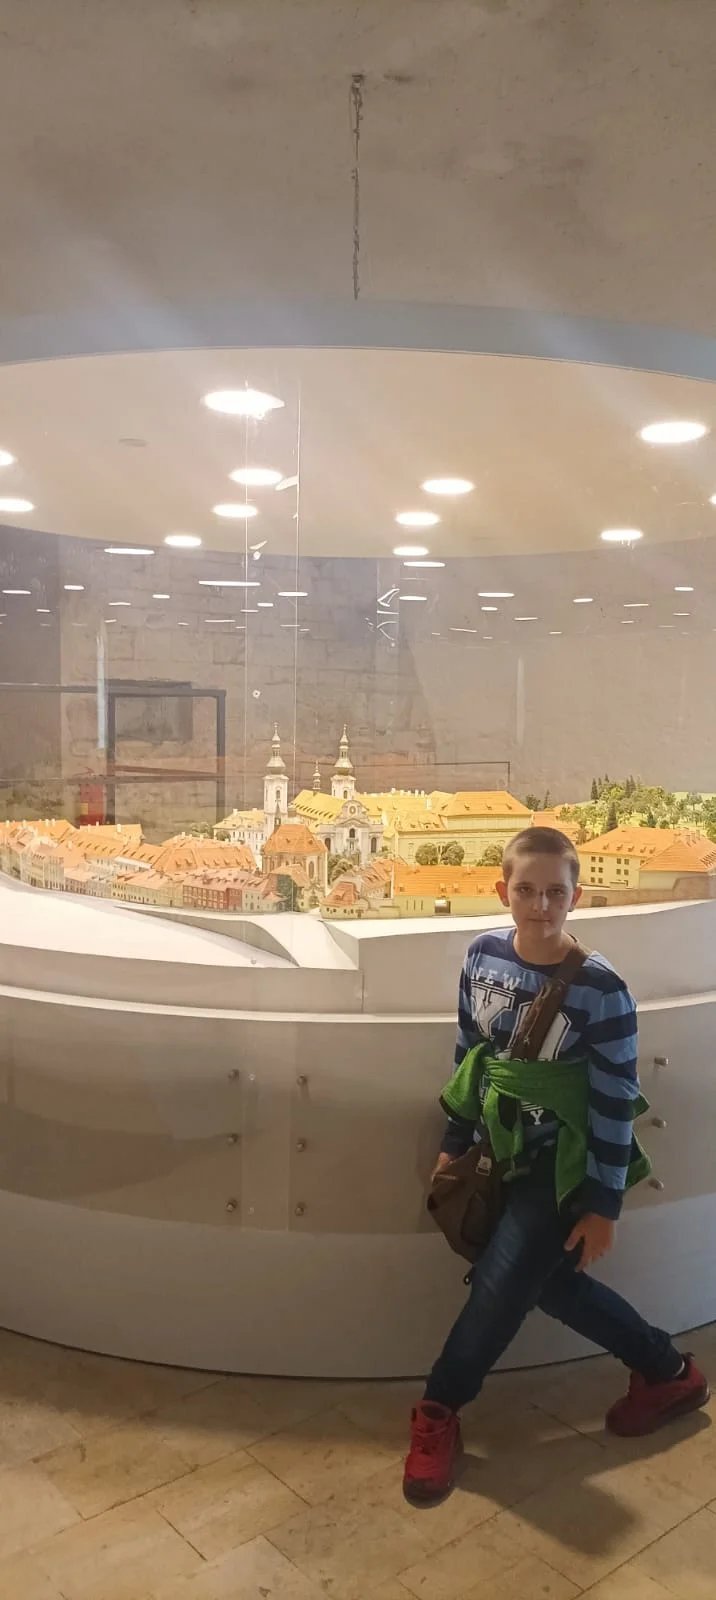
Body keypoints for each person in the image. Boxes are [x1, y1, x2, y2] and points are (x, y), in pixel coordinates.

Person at [403, 826, 709, 1506]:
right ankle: (667, 1372)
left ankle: (438, 1409)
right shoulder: (481, 956)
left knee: (497, 1288)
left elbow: (614, 1101)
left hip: (561, 1166)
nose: (540, 905)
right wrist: (456, 1139)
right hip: (499, 1151)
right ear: (502, 891)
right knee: (547, 1285)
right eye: (526, 890)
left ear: (577, 897)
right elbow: (471, 1055)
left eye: (555, 892)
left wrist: (603, 1205)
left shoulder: (602, 988)